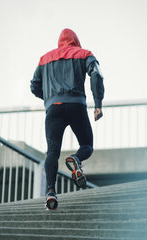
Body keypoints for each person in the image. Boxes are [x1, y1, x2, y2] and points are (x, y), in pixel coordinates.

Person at [30, 28, 104, 210]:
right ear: (76, 41)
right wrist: (98, 104)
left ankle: (50, 192)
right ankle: (76, 159)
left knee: (52, 152)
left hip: (53, 109)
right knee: (86, 145)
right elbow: (96, 74)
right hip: (76, 105)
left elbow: (34, 86)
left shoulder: (44, 59)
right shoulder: (84, 53)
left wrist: (49, 99)